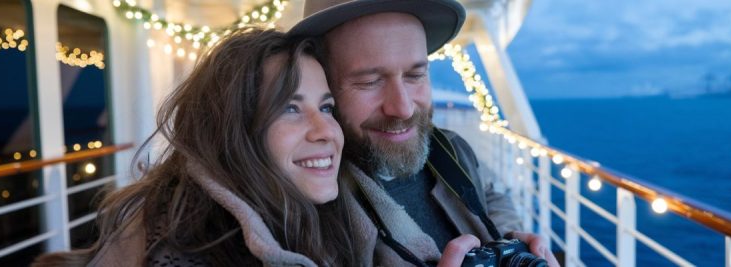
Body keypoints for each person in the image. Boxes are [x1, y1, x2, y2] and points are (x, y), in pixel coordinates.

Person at [32, 28, 369, 266]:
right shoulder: (185, 249)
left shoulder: (318, 215)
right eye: (290, 108)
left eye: (326, 107)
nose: (327, 130)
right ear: (231, 132)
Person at [289, 0, 561, 266]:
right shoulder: (308, 211)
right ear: (320, 84)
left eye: (415, 75)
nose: (404, 108)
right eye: (369, 82)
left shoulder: (450, 148)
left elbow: (489, 192)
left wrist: (507, 242)